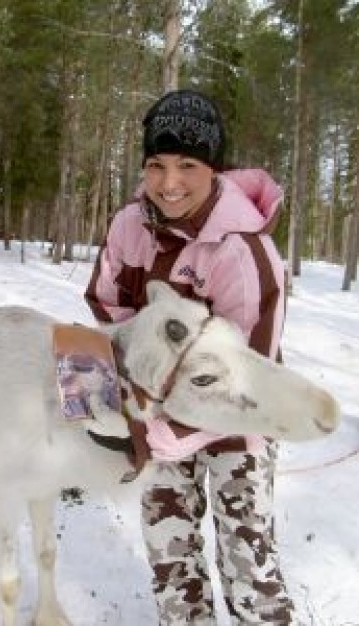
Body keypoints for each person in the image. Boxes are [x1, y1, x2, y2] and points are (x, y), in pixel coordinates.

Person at [85, 89, 295, 625]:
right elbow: (108, 304)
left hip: (236, 420)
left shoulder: (246, 254)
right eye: (155, 165)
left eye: (187, 165)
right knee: (170, 556)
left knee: (249, 564)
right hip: (156, 414)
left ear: (215, 169)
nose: (168, 183)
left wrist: (156, 432)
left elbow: (246, 383)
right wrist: (116, 393)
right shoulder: (129, 225)